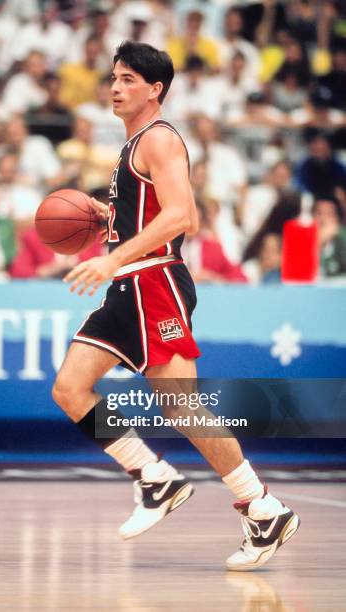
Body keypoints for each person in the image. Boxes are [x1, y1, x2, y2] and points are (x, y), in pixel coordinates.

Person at [52, 41, 300, 571]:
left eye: (127, 79)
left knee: (182, 405)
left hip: (153, 283)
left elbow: (182, 216)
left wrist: (112, 259)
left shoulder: (160, 140)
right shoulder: (133, 144)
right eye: (113, 78)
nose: (115, 87)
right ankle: (154, 477)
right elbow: (151, 213)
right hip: (131, 286)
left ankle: (261, 507)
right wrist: (107, 218)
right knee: (70, 389)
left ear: (154, 88)